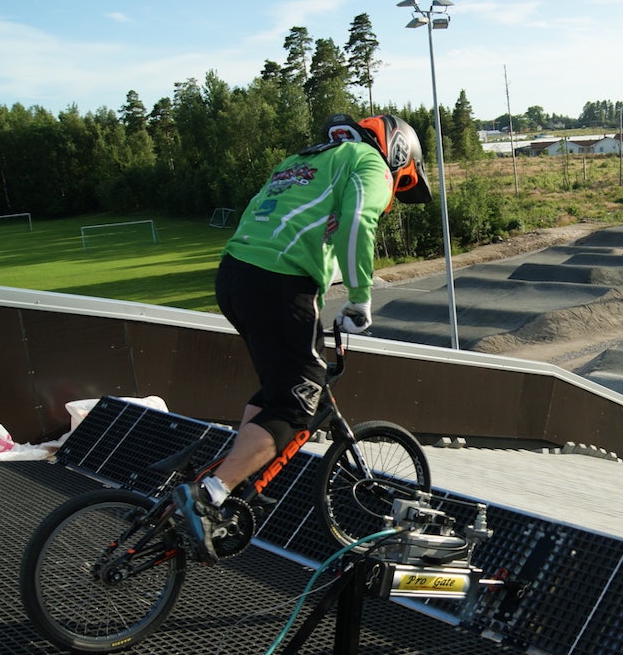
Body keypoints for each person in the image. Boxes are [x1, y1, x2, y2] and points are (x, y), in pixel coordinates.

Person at [173, 112, 432, 563]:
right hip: (279, 283)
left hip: (234, 275)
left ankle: (233, 474)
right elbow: (358, 223)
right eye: (402, 181)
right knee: (297, 405)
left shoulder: (302, 160)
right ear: (398, 153)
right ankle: (210, 495)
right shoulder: (368, 162)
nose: (394, 191)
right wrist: (359, 299)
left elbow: (276, 217)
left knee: (280, 387)